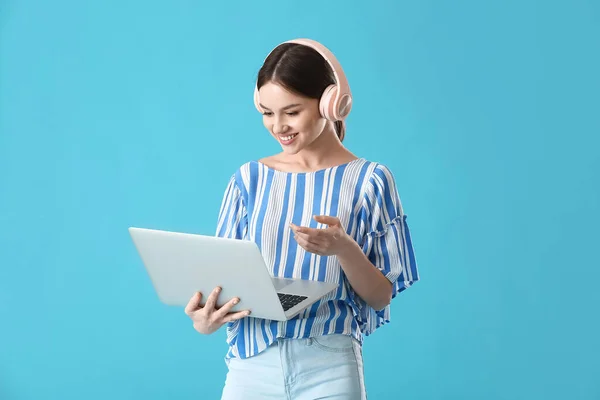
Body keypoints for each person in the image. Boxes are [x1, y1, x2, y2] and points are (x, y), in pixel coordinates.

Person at [184, 38, 420, 399]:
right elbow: (221, 282)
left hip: (329, 365)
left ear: (329, 103)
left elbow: (380, 296)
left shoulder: (370, 180)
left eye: (291, 112)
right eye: (267, 112)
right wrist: (204, 320)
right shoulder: (248, 179)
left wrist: (344, 249)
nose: (278, 126)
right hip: (252, 364)